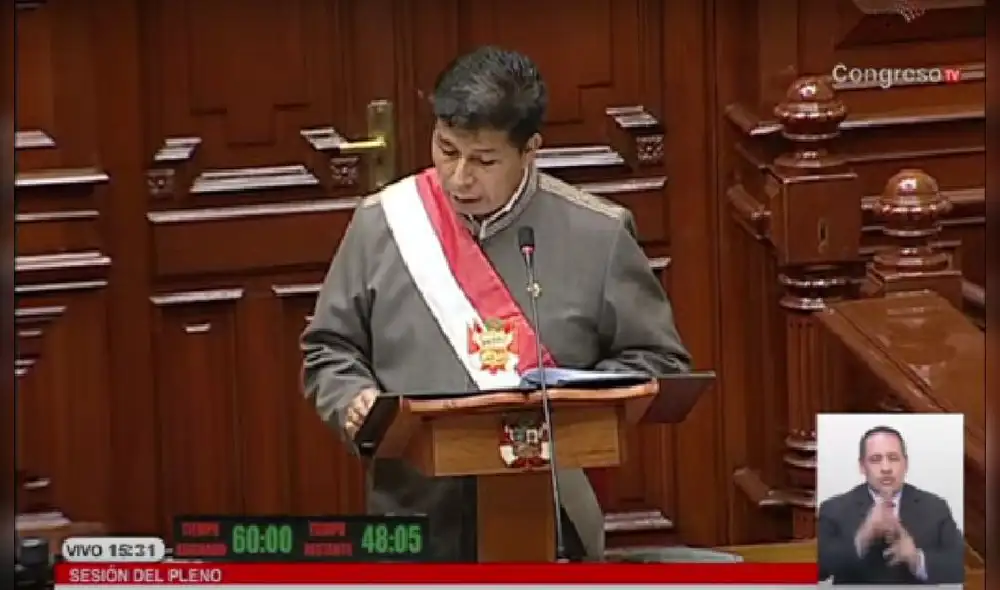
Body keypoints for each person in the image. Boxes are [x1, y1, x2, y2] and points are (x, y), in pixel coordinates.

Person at [301, 46, 690, 562]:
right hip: (411, 515)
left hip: (551, 519)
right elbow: (329, 349)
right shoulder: (384, 225)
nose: (459, 177)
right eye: (446, 149)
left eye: (483, 160)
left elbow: (658, 363)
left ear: (530, 150)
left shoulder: (600, 234)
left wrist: (579, 407)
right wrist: (353, 400)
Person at [817, 425, 964, 584]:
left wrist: (916, 559)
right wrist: (862, 538)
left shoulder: (935, 507)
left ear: (905, 464)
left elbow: (960, 566)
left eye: (893, 458)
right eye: (875, 459)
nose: (886, 468)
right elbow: (819, 570)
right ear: (862, 466)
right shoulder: (833, 509)